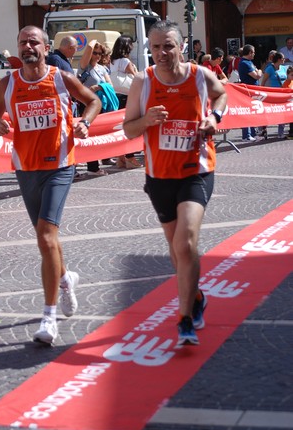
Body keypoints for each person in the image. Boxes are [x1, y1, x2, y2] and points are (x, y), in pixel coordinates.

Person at [0, 25, 101, 345]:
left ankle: (48, 318)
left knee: (46, 234)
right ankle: (65, 278)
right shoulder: (8, 84)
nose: (27, 47)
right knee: (45, 236)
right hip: (25, 168)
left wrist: (84, 122)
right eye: (22, 42)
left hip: (60, 165)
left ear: (45, 47)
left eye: (33, 42)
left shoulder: (61, 78)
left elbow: (93, 100)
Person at [123, 19, 227, 346]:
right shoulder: (143, 82)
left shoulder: (200, 75)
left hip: (196, 169)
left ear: (180, 46)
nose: (162, 53)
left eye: (168, 45)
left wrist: (214, 118)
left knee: (186, 242)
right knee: (175, 248)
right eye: (155, 47)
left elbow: (221, 95)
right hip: (159, 176)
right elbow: (128, 130)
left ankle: (184, 319)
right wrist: (147, 120)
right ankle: (195, 297)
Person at [78, 38, 113, 176]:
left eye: (100, 53)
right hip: (86, 105)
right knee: (87, 135)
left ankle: (96, 163)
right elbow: (88, 49)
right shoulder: (84, 66)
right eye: (95, 53)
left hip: (100, 106)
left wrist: (98, 86)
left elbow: (110, 85)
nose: (98, 56)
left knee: (98, 136)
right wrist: (93, 41)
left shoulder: (102, 69)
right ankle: (92, 167)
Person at [109, 35, 141, 169]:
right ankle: (130, 156)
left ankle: (120, 156)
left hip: (116, 95)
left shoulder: (112, 61)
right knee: (130, 126)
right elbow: (136, 76)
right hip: (127, 96)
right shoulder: (125, 61)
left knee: (119, 127)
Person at [238, 44, 262, 141]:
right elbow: (256, 75)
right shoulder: (245, 63)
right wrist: (259, 70)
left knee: (252, 112)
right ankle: (246, 135)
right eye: (253, 52)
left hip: (252, 89)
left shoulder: (249, 62)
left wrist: (257, 72)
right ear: (249, 52)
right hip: (248, 90)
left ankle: (252, 133)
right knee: (248, 112)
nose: (254, 54)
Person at [261, 51, 287, 139]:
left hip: (283, 93)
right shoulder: (270, 69)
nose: (284, 60)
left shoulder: (284, 68)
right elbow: (263, 81)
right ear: (279, 59)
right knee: (269, 112)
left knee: (283, 113)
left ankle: (281, 132)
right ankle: (263, 130)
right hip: (273, 93)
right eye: (283, 59)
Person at [282, 66, 293, 139]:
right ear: (287, 75)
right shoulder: (285, 83)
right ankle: (291, 133)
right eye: (292, 75)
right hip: (289, 104)